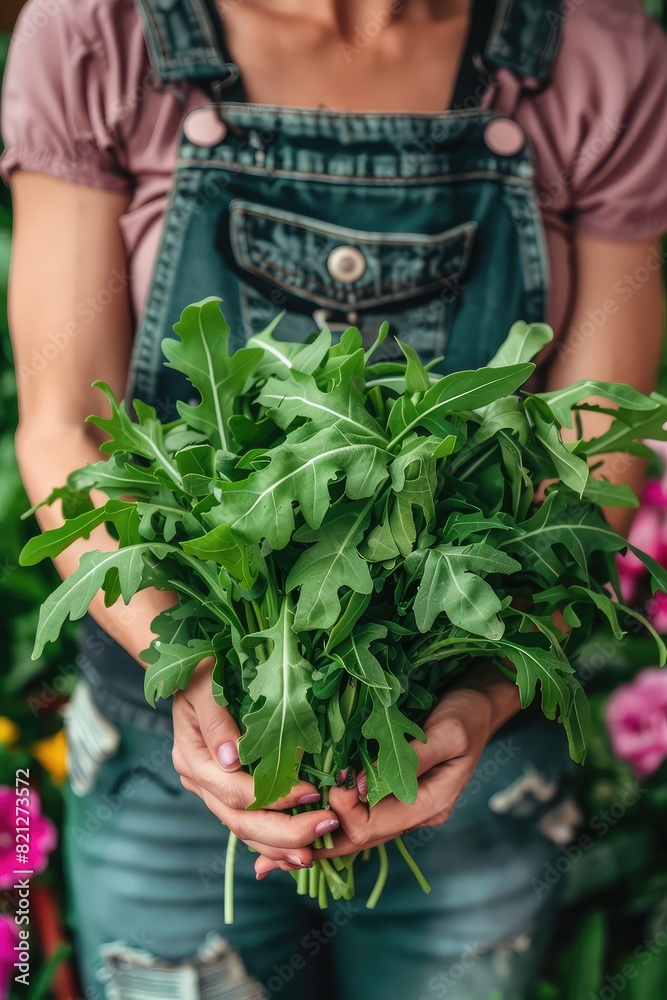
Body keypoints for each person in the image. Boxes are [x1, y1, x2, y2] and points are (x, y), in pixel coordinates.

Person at [2, 0, 667, 997]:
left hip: (469, 749)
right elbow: (66, 429)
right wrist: (195, 671)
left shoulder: (596, 50)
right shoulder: (101, 33)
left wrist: (482, 692)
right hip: (171, 746)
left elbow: (594, 449)